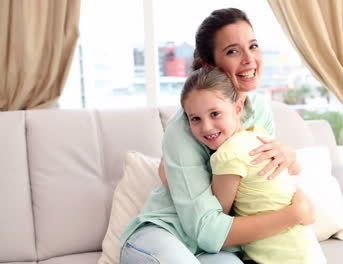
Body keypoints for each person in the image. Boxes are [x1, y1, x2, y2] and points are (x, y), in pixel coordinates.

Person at [120, 8, 315, 264]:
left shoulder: (260, 111)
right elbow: (207, 230)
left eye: (253, 46)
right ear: (210, 65)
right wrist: (294, 214)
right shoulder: (183, 129)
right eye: (233, 51)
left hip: (223, 247)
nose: (249, 59)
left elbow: (258, 193)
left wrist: (289, 157)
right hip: (166, 233)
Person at [181, 66, 325, 264]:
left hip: (273, 258)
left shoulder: (226, 155)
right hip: (308, 253)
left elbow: (219, 215)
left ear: (238, 109)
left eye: (215, 114)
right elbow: (294, 170)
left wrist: (175, 182)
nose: (206, 126)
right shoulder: (259, 136)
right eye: (195, 118)